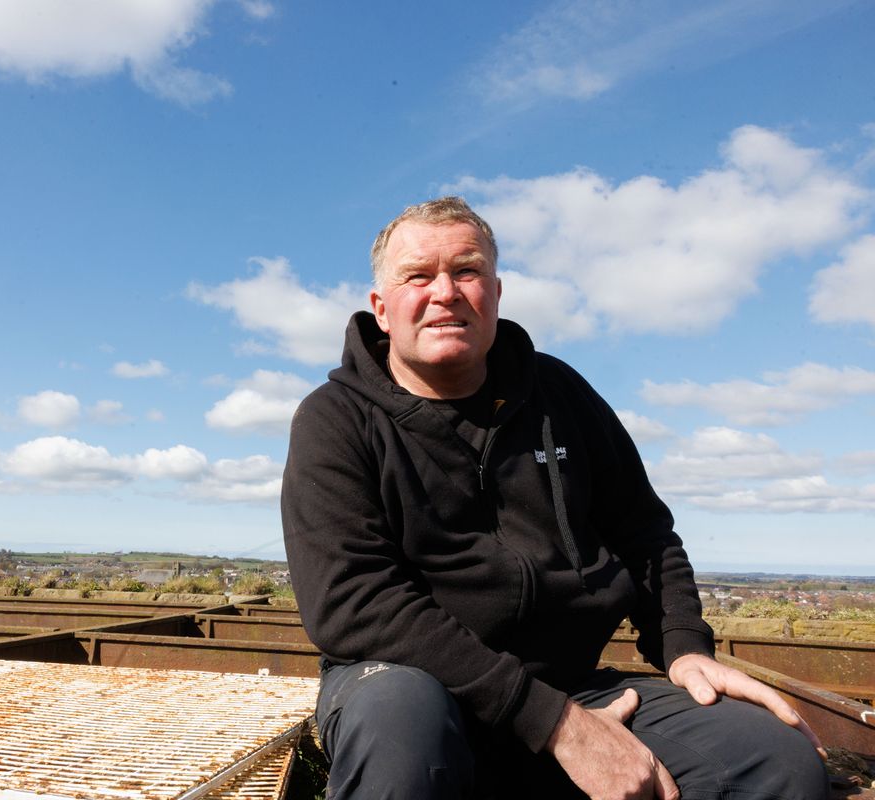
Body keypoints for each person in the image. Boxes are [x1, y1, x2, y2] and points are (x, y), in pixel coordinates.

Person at [281, 197, 829, 800]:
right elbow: (354, 603)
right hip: (411, 688)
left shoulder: (560, 394)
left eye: (466, 271)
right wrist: (557, 726)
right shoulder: (334, 419)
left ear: (495, 292)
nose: (445, 292)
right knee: (400, 725)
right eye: (418, 276)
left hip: (572, 686)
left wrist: (681, 646)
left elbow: (644, 533)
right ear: (382, 309)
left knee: (776, 757)